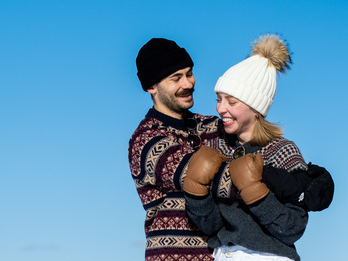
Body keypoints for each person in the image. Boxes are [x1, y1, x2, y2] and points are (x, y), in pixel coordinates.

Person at [128, 37, 332, 261]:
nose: (188, 83)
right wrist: (294, 185)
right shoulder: (147, 140)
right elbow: (219, 179)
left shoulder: (214, 128)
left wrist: (312, 181)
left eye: (189, 73)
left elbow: (255, 138)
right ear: (151, 87)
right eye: (176, 78)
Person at [182, 34, 313, 261]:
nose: (221, 108)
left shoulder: (282, 151)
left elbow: (293, 228)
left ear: (256, 108)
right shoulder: (216, 147)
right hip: (224, 254)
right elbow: (210, 226)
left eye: (232, 102)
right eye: (219, 99)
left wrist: (256, 194)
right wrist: (196, 192)